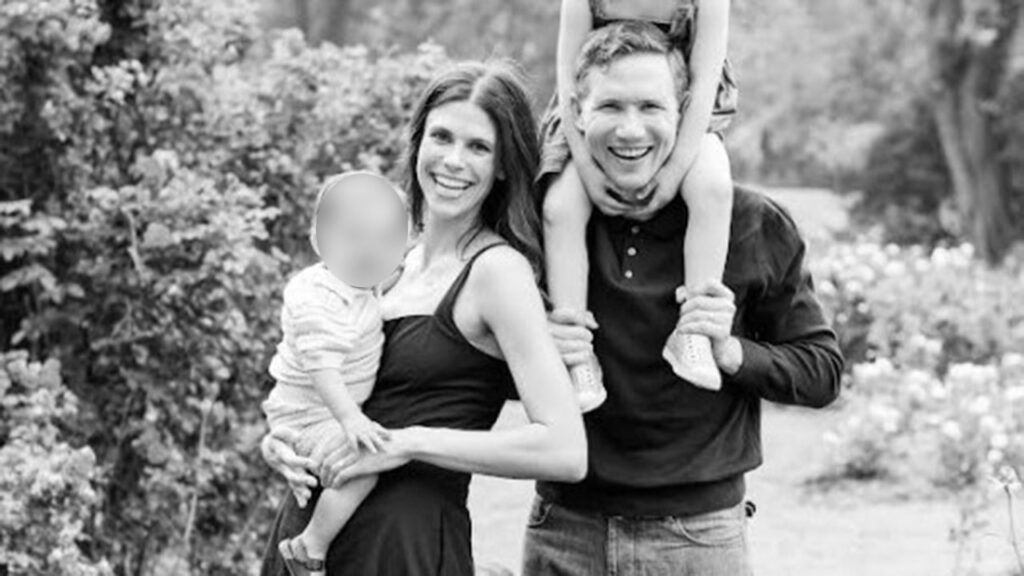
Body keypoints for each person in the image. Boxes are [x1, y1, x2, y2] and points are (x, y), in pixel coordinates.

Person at [523, 22, 843, 575]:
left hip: (699, 539)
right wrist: (535, 349)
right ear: (577, 112)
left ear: (687, 112)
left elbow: (821, 373)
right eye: (611, 106)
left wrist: (731, 352)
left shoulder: (748, 222)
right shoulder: (548, 220)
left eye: (651, 106)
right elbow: (478, 372)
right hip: (564, 529)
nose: (630, 130)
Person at [259, 61, 587, 576]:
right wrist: (285, 440)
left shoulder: (497, 273)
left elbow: (564, 450)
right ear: (418, 144)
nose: (453, 160)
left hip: (401, 545)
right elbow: (334, 380)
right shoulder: (390, 263)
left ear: (503, 165)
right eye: (442, 137)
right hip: (307, 534)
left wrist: (407, 443)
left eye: (478, 147)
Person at [541, 0, 739, 411]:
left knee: (713, 187)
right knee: (560, 207)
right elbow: (567, 73)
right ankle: (576, 349)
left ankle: (694, 330)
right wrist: (586, 167)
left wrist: (674, 171)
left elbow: (703, 84)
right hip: (595, 111)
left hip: (685, 114)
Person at [263, 172, 408, 575]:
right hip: (311, 416)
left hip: (323, 414)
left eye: (384, 240)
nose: (368, 251)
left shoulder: (360, 283)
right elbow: (321, 365)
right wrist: (350, 419)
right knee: (364, 466)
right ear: (318, 241)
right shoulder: (320, 297)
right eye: (354, 237)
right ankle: (309, 547)